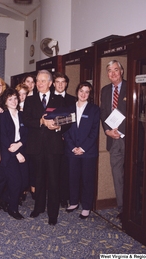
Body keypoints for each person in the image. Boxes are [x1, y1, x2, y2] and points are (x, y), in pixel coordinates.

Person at [23, 69, 68, 225]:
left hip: (54, 147)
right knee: (39, 179)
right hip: (36, 146)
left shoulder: (60, 100)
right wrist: (41, 122)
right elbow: (26, 120)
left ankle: (53, 213)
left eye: (43, 81)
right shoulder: (30, 100)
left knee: (54, 181)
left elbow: (68, 121)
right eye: (37, 81)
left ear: (50, 83)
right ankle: (38, 207)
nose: (39, 83)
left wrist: (57, 126)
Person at [64, 82, 100, 219]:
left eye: (87, 92)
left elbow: (94, 132)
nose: (83, 94)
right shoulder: (68, 109)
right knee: (72, 178)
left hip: (88, 152)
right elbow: (65, 131)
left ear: (89, 95)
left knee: (87, 180)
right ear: (77, 91)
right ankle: (73, 202)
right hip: (72, 150)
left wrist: (83, 148)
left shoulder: (94, 110)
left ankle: (86, 206)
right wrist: (73, 147)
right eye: (81, 91)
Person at [100, 60, 127, 220]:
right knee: (117, 174)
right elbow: (103, 113)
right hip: (113, 139)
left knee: (133, 174)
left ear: (121, 71)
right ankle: (123, 208)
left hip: (130, 139)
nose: (113, 73)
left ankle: (134, 207)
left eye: (116, 70)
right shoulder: (104, 90)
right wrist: (108, 131)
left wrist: (122, 131)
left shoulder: (132, 87)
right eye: (109, 71)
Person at [0, 88, 28, 220]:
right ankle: (13, 209)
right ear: (5, 101)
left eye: (15, 98)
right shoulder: (2, 116)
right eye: (10, 99)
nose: (13, 101)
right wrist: (16, 152)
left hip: (20, 147)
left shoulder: (22, 115)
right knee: (16, 182)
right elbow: (3, 137)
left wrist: (20, 145)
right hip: (9, 152)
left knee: (24, 182)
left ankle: (4, 199)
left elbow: (27, 134)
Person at [53, 72, 76, 208]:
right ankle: (53, 197)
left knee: (65, 170)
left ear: (66, 84)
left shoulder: (73, 100)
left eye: (63, 82)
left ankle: (63, 197)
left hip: (67, 140)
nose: (60, 84)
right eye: (58, 82)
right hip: (51, 140)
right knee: (52, 171)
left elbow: (73, 120)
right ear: (54, 84)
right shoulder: (48, 98)